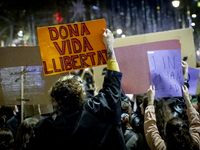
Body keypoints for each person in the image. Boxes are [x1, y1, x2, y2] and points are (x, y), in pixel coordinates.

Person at [26, 29, 127, 150]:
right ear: (81, 94)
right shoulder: (99, 109)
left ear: (56, 101)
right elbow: (113, 83)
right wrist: (109, 47)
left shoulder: (44, 129)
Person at [144, 85, 200, 150]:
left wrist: (150, 102)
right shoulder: (195, 143)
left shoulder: (162, 148)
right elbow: (196, 123)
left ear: (166, 134)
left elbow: (150, 129)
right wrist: (187, 99)